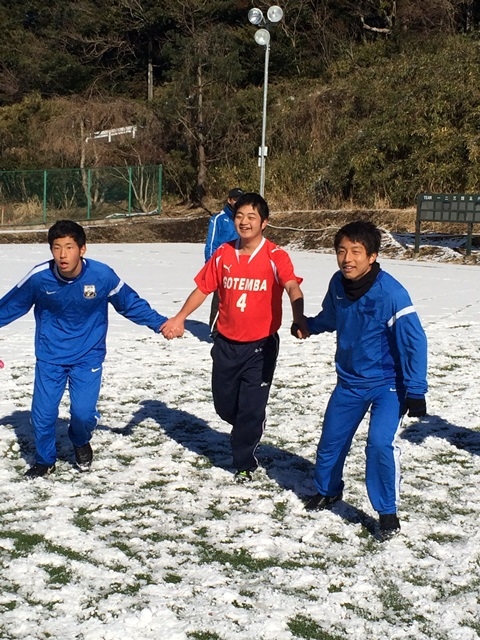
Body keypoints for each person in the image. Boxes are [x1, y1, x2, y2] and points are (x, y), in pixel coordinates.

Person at [0, 219, 169, 479]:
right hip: (50, 357)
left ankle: (80, 440)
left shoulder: (102, 276)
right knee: (43, 415)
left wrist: (160, 324)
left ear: (82, 249)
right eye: (57, 248)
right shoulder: (39, 278)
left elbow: (129, 303)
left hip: (88, 356)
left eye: (69, 247)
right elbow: (10, 306)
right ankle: (45, 460)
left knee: (82, 414)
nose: (62, 255)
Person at [294, 220, 427, 540]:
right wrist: (310, 326)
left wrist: (416, 389)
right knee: (331, 440)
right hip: (350, 381)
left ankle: (387, 512)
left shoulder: (391, 293)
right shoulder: (338, 284)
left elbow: (414, 341)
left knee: (379, 443)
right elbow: (332, 316)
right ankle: (328, 490)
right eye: (341, 251)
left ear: (372, 256)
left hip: (388, 384)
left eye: (356, 251)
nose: (347, 259)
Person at [162, 192, 306, 483]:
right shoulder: (223, 254)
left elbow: (292, 286)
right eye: (239, 216)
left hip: (261, 347)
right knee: (225, 406)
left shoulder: (276, 256)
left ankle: (244, 463)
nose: (244, 222)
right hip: (226, 344)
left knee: (250, 410)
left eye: (251, 217)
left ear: (264, 222)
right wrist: (180, 317)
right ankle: (246, 425)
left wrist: (298, 316)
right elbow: (203, 289)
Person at [204, 187, 244, 336]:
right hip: (222, 266)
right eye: (235, 199)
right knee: (220, 299)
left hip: (241, 265)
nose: (237, 202)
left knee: (237, 300)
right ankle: (215, 331)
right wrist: (211, 266)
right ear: (229, 200)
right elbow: (211, 244)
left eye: (240, 199)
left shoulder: (243, 219)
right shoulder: (219, 219)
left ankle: (234, 329)